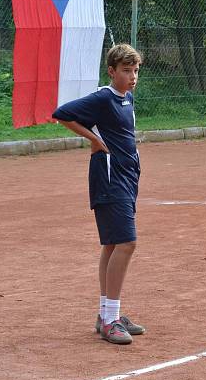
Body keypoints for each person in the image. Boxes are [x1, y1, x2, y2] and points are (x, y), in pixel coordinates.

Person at [52, 44, 145, 345]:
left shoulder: (127, 99)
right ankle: (110, 321)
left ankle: (107, 313)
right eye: (126, 71)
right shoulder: (103, 97)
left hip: (127, 177)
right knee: (127, 243)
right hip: (108, 178)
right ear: (112, 71)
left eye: (135, 71)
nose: (132, 77)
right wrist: (93, 138)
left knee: (113, 244)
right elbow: (62, 114)